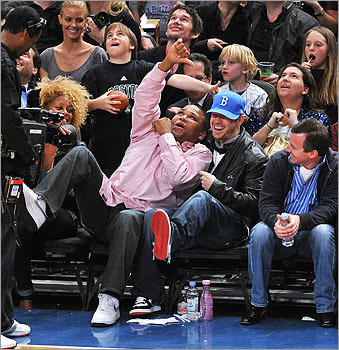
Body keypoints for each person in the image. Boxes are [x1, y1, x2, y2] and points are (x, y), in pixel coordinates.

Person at [19, 39, 219, 327]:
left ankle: (110, 298)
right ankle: (40, 204)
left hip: (134, 223)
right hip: (104, 205)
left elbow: (178, 179)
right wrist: (164, 65)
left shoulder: (200, 154)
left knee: (129, 217)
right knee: (81, 153)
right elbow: (148, 94)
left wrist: (165, 137)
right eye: (180, 112)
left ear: (201, 134)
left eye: (191, 117)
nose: (180, 116)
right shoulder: (145, 130)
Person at [131, 90, 267, 316]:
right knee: (152, 214)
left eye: (225, 117)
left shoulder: (254, 156)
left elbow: (254, 206)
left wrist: (217, 188)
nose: (217, 121)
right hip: (196, 220)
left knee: (204, 198)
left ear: (241, 120)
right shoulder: (207, 139)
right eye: (214, 115)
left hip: (231, 229)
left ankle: (170, 239)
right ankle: (148, 296)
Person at [82, 22, 216, 176]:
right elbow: (78, 107)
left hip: (140, 145)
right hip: (106, 145)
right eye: (109, 36)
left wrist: (207, 88)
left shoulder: (142, 68)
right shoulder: (95, 72)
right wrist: (98, 103)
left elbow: (176, 79)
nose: (113, 38)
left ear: (132, 45)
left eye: (120, 34)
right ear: (105, 47)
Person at [241, 118, 337, 328]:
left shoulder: (335, 166)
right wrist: (275, 222)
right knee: (259, 232)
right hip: (279, 231)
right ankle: (258, 304)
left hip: (309, 235)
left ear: (312, 154)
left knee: (324, 232)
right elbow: (266, 203)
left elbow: (332, 207)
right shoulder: (278, 160)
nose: (286, 148)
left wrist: (300, 221)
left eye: (293, 146)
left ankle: (326, 308)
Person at [14, 76, 90, 310]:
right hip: (28, 215)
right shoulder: (29, 142)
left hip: (63, 215)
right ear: (45, 110)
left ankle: (24, 296)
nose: (64, 114)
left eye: (69, 110)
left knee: (23, 223)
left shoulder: (77, 147)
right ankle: (22, 295)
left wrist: (49, 158)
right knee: (20, 226)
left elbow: (71, 197)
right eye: (58, 109)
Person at [1, 6, 45, 349]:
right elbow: (7, 118)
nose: (28, 51)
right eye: (30, 41)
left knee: (6, 244)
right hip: (3, 164)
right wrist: (29, 154)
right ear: (24, 32)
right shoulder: (3, 63)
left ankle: (3, 319)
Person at [245, 63, 331, 157]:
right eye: (282, 76)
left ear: (305, 90)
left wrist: (296, 126)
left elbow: (317, 155)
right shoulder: (261, 114)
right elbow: (246, 150)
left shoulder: (317, 119)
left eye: (294, 76)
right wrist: (268, 127)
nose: (285, 79)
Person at [246, 1, 319, 86]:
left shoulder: (305, 23)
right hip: (249, 83)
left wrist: (284, 76)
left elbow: (311, 62)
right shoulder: (252, 14)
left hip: (285, 87)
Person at [39, 1, 107, 83]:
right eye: (68, 20)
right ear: (60, 19)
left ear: (86, 21)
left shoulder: (97, 55)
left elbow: (105, 91)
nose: (73, 25)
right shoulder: (47, 57)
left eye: (79, 20)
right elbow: (45, 94)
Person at [219, 44, 268, 117]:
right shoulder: (219, 92)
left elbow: (260, 124)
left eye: (231, 62)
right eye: (223, 63)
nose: (224, 67)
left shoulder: (259, 95)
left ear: (245, 69)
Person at [301, 26, 338, 125]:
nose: (311, 48)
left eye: (318, 45)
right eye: (308, 45)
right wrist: (300, 78)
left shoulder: (336, 79)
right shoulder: (299, 74)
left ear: (329, 51)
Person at [166, 53, 213, 119]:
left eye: (199, 78)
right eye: (189, 79)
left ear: (209, 80)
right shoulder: (173, 110)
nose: (194, 84)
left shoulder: (217, 106)